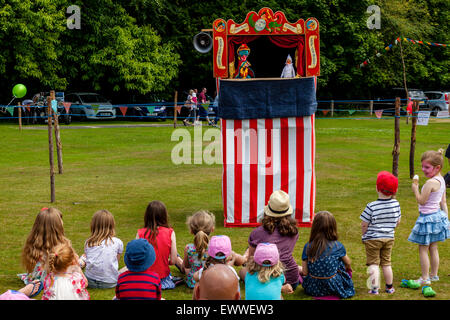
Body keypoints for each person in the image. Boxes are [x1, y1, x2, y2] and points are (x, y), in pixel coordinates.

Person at [240, 190, 301, 293]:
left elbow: (251, 260)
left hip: (264, 278)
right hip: (291, 279)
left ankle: (275, 287)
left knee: (242, 271)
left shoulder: (257, 234)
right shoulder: (293, 232)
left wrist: (244, 258)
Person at [408, 149, 449, 285]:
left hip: (427, 218)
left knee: (423, 248)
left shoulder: (430, 183)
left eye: (427, 167)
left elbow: (421, 200)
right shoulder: (442, 180)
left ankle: (425, 278)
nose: (423, 170)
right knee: (433, 247)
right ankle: (434, 275)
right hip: (437, 217)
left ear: (437, 167)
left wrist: (415, 189)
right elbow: (443, 201)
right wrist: (446, 218)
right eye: (422, 166)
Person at [360, 171, 401, 294]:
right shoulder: (396, 204)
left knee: (373, 264)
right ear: (394, 191)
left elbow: (364, 223)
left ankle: (374, 289)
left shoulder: (371, 206)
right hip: (389, 238)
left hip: (372, 239)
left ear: (377, 188)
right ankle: (389, 287)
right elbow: (398, 221)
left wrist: (364, 235)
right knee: (386, 263)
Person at [301, 211, 355, 299]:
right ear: (333, 227)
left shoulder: (308, 246)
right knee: (340, 263)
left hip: (313, 288)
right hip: (334, 287)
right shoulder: (338, 246)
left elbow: (305, 272)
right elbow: (348, 263)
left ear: (315, 227)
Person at [18, 207, 71, 297]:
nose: (63, 223)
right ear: (56, 227)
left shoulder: (33, 242)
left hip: (35, 279)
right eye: (61, 220)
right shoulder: (61, 246)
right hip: (51, 279)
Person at [136, 200, 183, 289]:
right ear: (164, 215)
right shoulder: (170, 232)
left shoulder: (140, 233)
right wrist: (164, 261)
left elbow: (136, 257)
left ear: (147, 216)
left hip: (144, 277)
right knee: (176, 256)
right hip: (162, 277)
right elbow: (173, 260)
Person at [79, 209, 123, 289]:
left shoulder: (88, 242)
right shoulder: (118, 242)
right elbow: (116, 260)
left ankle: (80, 264)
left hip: (90, 281)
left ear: (93, 225)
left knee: (84, 258)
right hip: (110, 282)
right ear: (112, 225)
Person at [180, 210, 216, 288]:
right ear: (212, 229)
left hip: (193, 282)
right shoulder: (214, 247)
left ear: (191, 231)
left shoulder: (188, 248)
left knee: (184, 266)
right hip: (210, 282)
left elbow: (186, 266)